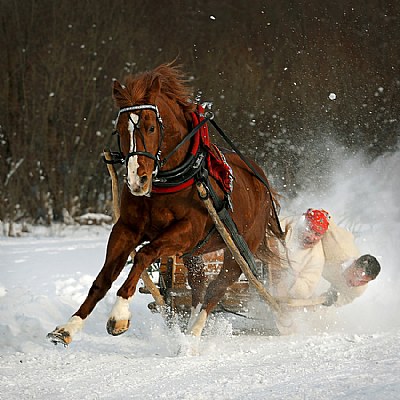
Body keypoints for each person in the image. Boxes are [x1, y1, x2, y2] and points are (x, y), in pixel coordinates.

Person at [256, 208, 381, 334]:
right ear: (353, 264)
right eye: (356, 276)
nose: (355, 283)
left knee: (305, 299)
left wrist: (334, 297)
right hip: (302, 246)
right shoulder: (338, 245)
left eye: (362, 282)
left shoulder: (356, 288)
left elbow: (345, 297)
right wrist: (317, 216)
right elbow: (326, 222)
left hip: (308, 269)